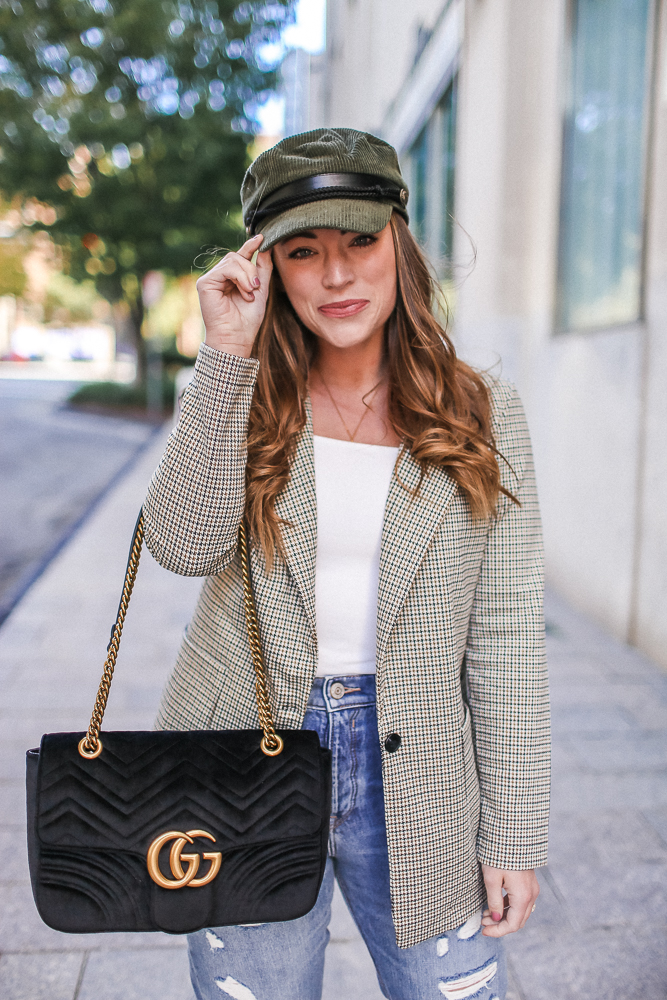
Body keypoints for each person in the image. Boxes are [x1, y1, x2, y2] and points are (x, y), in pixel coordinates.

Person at [143, 128, 550, 1000]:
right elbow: (180, 547)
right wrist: (223, 356)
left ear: (398, 244)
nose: (335, 276)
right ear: (269, 267)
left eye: (359, 242)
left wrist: (512, 830)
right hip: (241, 756)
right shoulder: (240, 392)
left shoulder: (481, 407)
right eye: (303, 250)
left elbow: (508, 630)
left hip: (423, 764)